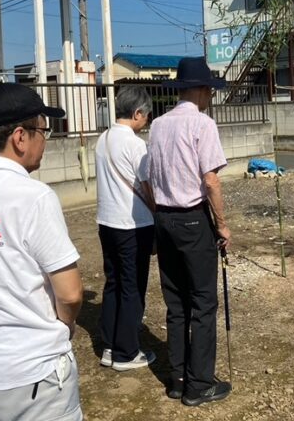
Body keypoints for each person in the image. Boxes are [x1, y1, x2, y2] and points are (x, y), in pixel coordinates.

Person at [0, 83, 84, 421]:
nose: (44, 140)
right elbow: (70, 292)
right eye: (42, 130)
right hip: (32, 374)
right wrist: (65, 325)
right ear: (20, 137)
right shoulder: (33, 197)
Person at [148, 57, 232, 407]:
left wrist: (160, 215)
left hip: (164, 219)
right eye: (209, 89)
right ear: (198, 90)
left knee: (176, 302)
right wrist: (223, 224)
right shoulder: (202, 124)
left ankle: (178, 378)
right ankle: (199, 384)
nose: (211, 96)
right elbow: (210, 180)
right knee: (202, 302)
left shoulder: (157, 125)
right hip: (193, 219)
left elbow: (150, 178)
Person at [95, 86, 156, 371]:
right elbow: (147, 185)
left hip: (106, 222)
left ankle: (109, 345)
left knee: (114, 283)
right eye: (147, 116)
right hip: (133, 224)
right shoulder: (135, 145)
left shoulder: (102, 139)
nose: (147, 122)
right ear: (137, 113)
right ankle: (127, 352)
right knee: (133, 287)